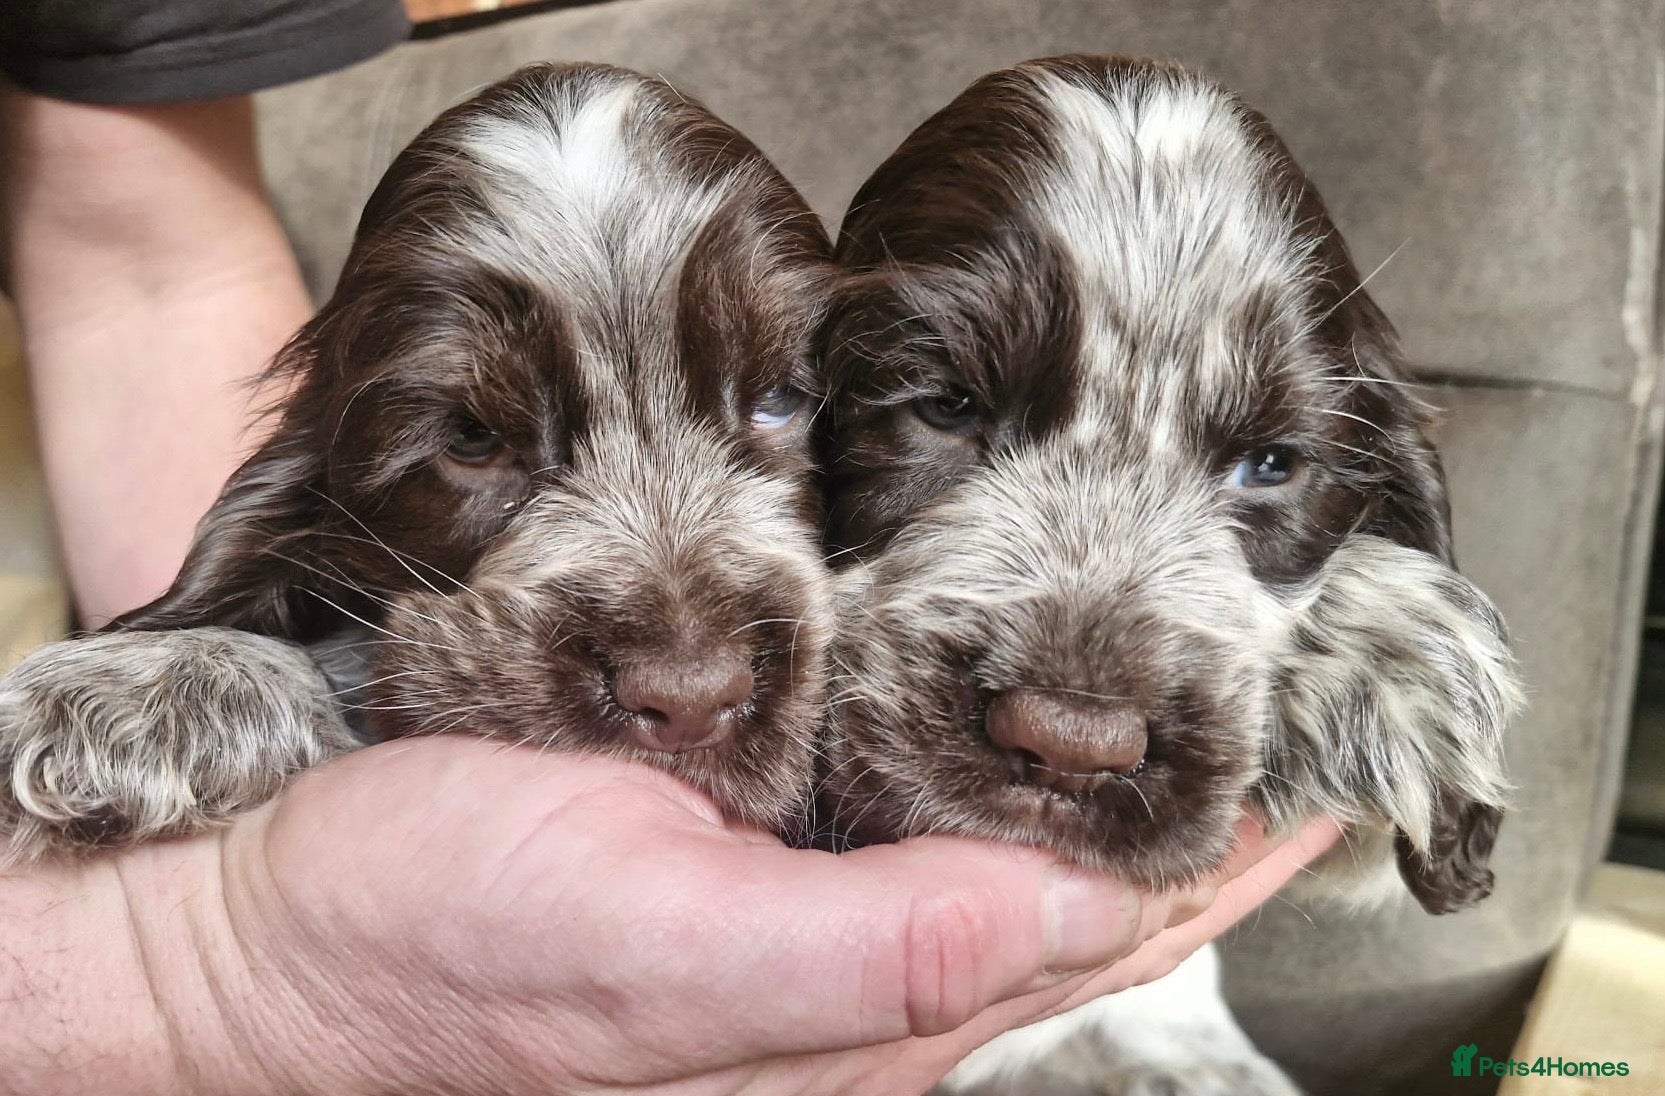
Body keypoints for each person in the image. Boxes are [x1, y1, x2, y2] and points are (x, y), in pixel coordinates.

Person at [0, 5, 1340, 1092]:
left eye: (778, 404)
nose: (690, 662)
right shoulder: (330, 557)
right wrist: (198, 953)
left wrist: (1349, 608)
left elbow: (145, 266)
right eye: (474, 443)